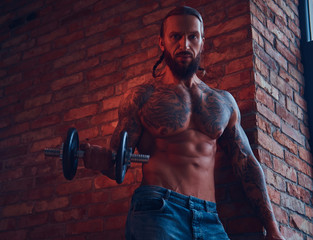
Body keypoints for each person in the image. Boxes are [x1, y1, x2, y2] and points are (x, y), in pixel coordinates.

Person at [81, 6, 285, 240]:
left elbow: (246, 163)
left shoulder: (223, 102)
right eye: (175, 36)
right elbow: (118, 165)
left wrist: (272, 229)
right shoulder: (141, 97)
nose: (184, 45)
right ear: (162, 42)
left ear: (202, 41)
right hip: (158, 210)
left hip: (209, 217)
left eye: (192, 37)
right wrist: (97, 158)